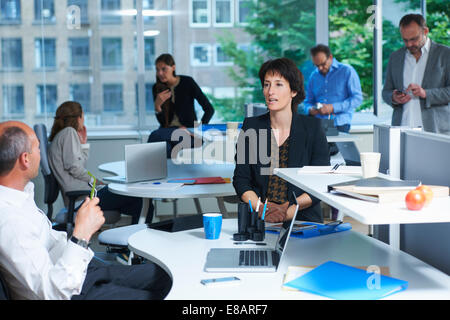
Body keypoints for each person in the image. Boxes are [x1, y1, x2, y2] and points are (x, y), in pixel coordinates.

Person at [0, 121, 172, 300]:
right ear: (25, 159)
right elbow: (52, 293)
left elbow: (51, 244)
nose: (41, 152)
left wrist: (82, 249)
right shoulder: (11, 222)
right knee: (156, 295)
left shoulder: (21, 197)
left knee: (165, 276)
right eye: (37, 148)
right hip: (69, 291)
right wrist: (82, 234)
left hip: (77, 273)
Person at [233, 58, 330, 223]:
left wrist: (289, 210)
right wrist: (260, 208)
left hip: (302, 219)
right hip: (260, 219)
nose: (271, 91)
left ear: (293, 91)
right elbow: (241, 180)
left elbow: (320, 184)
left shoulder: (313, 128)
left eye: (278, 84)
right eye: (266, 84)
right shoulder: (251, 127)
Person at [48, 101, 154, 225]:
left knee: (140, 204)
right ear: (78, 118)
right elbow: (75, 168)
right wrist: (95, 181)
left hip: (81, 197)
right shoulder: (69, 132)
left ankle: (134, 239)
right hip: (83, 198)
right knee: (140, 200)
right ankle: (138, 240)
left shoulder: (60, 136)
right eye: (83, 116)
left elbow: (79, 165)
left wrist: (83, 144)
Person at [382, 13, 450, 135]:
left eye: (413, 39)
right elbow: (386, 91)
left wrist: (426, 93)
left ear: (425, 31)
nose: (409, 44)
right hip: (402, 130)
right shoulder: (395, 57)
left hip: (436, 131)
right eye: (405, 40)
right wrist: (394, 97)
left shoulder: (445, 54)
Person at [148, 53, 215, 157]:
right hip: (167, 132)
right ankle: (173, 173)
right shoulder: (157, 88)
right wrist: (157, 106)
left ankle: (148, 171)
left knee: (155, 136)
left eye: (164, 69)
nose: (160, 73)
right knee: (166, 148)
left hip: (189, 132)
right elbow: (163, 122)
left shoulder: (187, 82)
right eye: (157, 70)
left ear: (173, 67)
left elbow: (209, 109)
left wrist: (198, 131)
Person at [303, 44, 363, 133]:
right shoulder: (314, 76)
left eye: (323, 64)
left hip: (339, 123)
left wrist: (333, 108)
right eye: (316, 65)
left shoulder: (347, 71)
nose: (320, 68)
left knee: (335, 147)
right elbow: (308, 101)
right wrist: (309, 109)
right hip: (317, 123)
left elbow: (357, 99)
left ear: (330, 57)